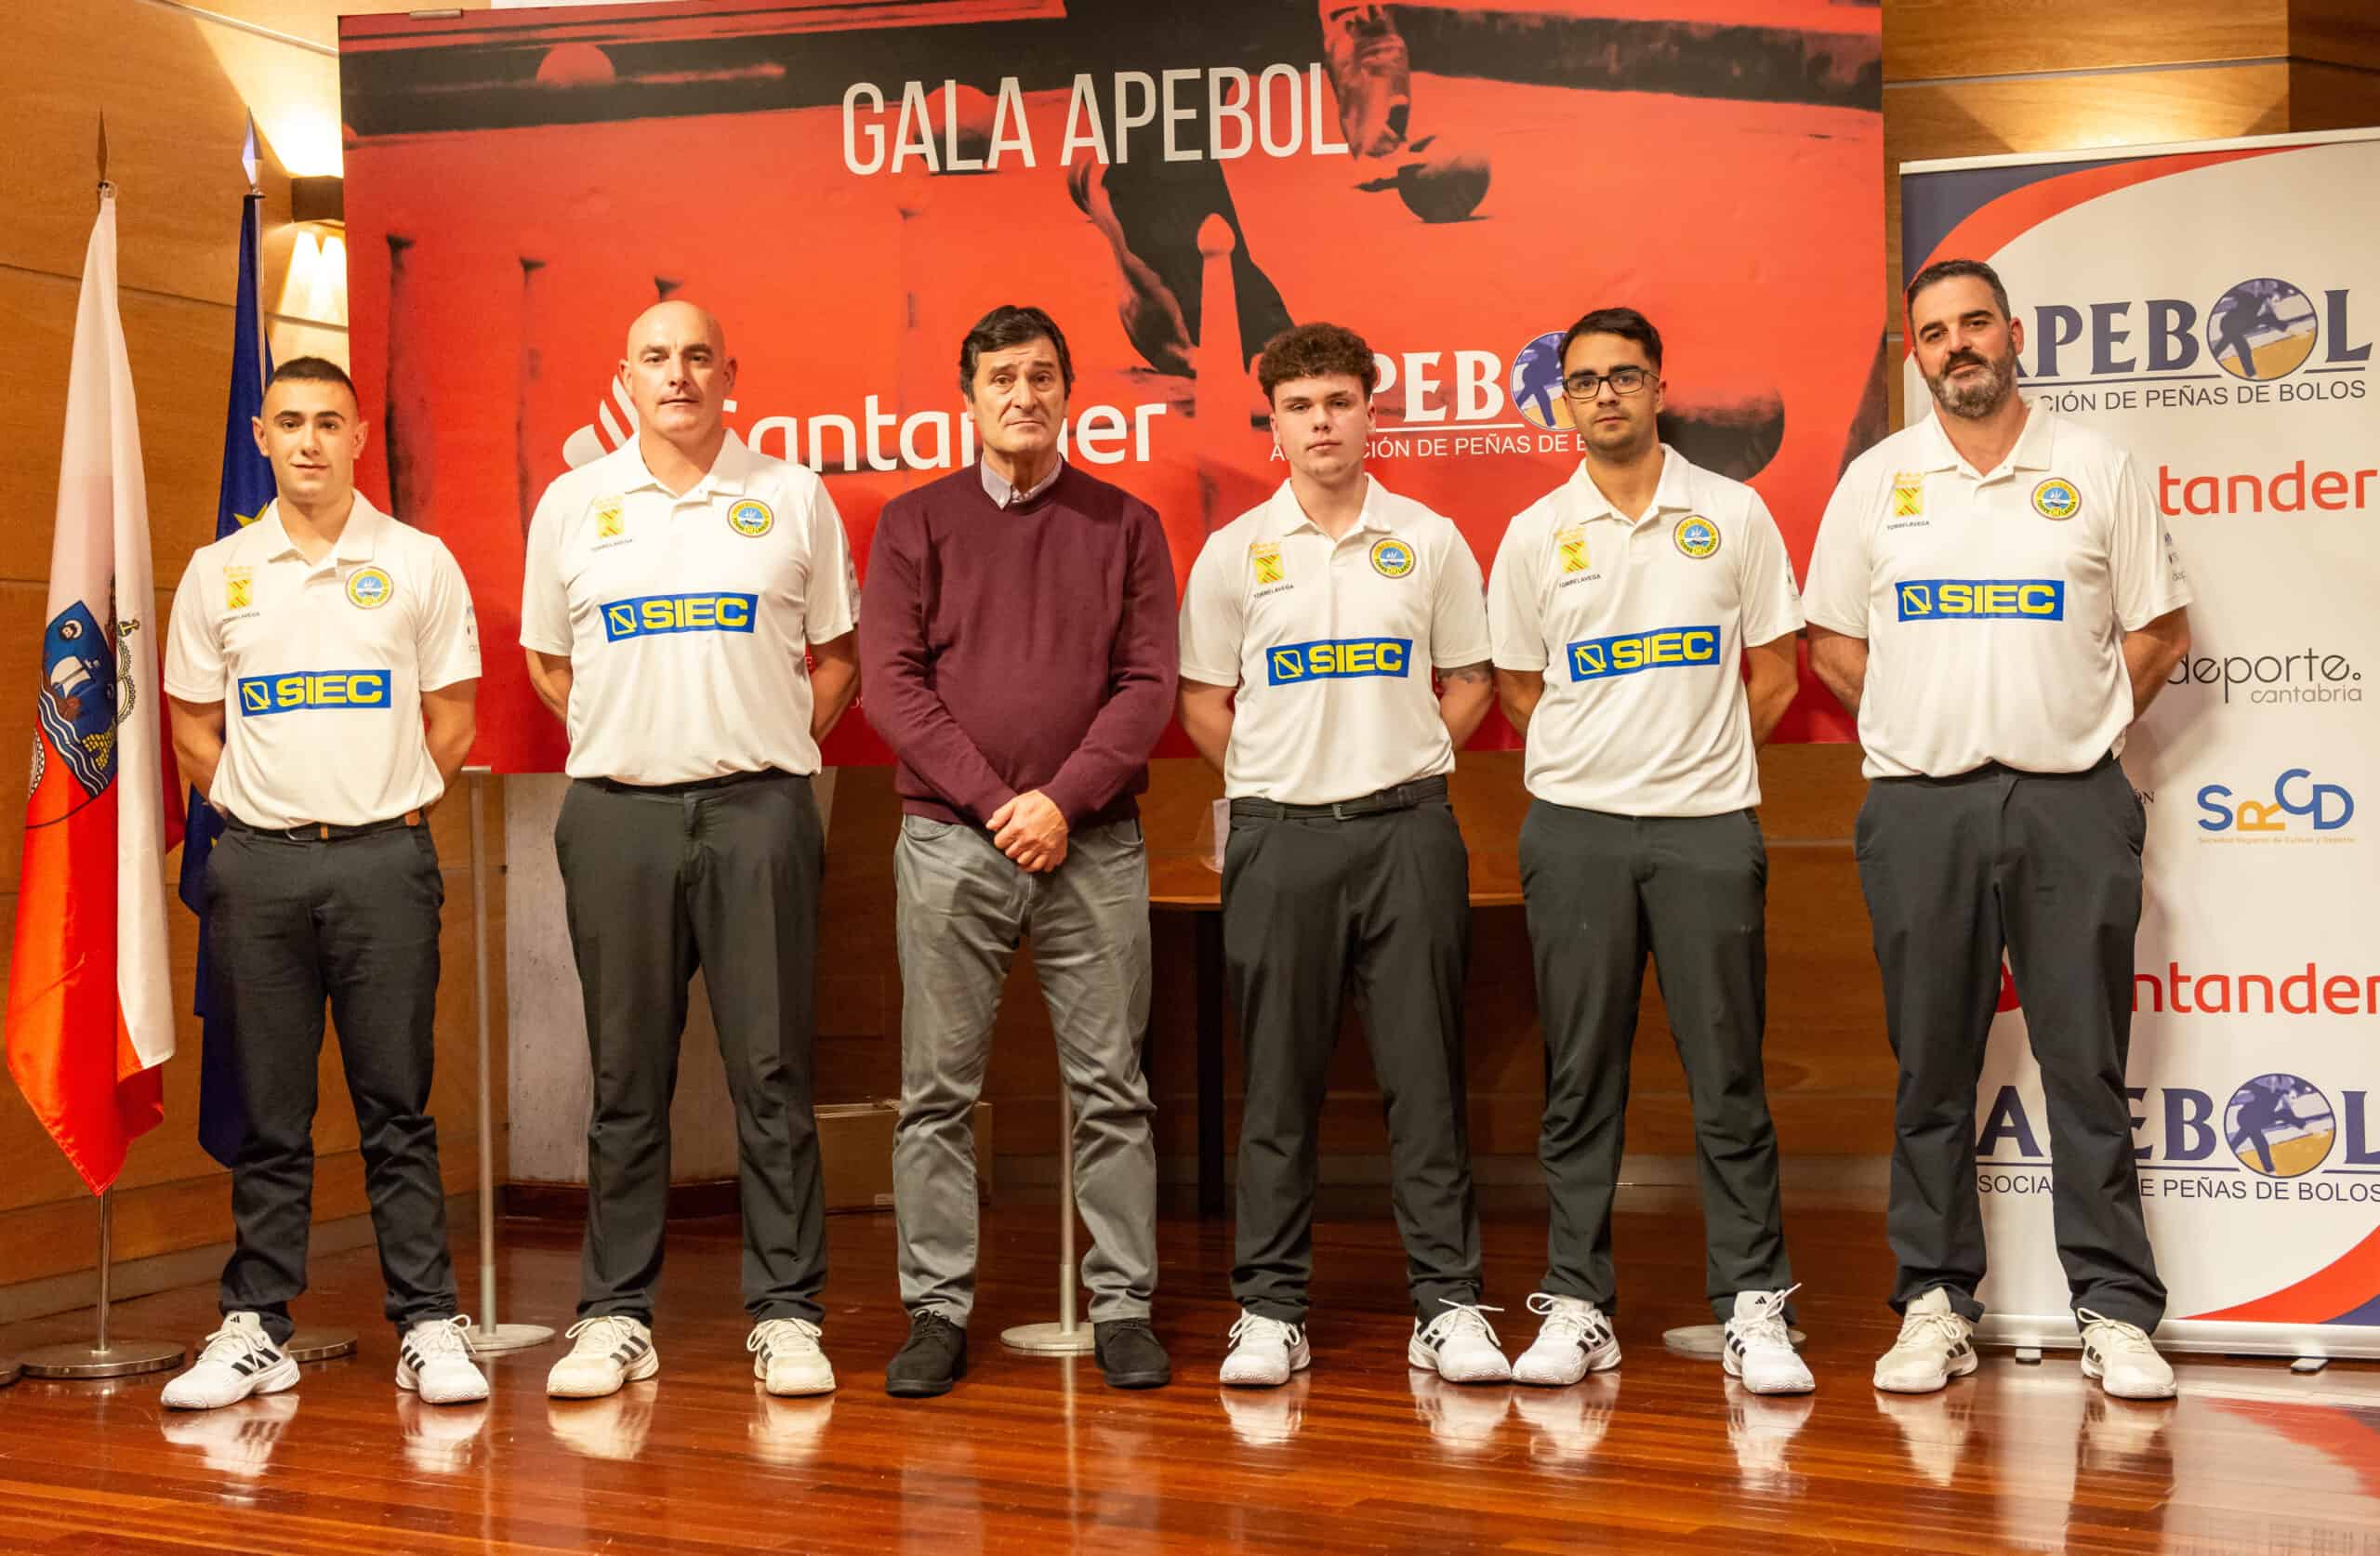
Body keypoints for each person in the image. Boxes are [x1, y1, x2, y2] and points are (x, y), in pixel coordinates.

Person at [1804, 257, 2192, 1402]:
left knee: (2084, 1064)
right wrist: (1920, 722)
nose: (1957, 345)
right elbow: (1833, 643)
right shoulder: (1876, 480)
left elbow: (2159, 632)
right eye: (1934, 332)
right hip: (1920, 806)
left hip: (2070, 801)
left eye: (1975, 323)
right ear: (1914, 353)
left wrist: (2078, 725)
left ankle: (2114, 1308)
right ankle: (1932, 1301)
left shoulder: (2094, 466)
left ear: (2013, 333)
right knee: (1930, 1068)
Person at [521, 300, 861, 1400]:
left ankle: (789, 1313)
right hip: (617, 817)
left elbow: (838, 656)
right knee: (626, 1078)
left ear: (729, 373)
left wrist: (767, 746)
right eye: (656, 358)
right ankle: (614, 1317)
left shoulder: (791, 495)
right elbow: (548, 663)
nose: (678, 375)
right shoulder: (573, 503)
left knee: (773, 1073)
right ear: (625, 378)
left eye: (697, 357)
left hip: (759, 812)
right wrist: (634, 739)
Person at [1486, 306, 1813, 1397]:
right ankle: (1577, 1302)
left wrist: (1696, 758)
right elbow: (1519, 686)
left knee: (1728, 1074)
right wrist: (1602, 761)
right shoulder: (1536, 531)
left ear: (1659, 387)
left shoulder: (1731, 513)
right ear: (1564, 401)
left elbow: (1776, 669)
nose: (1605, 395)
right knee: (1579, 1076)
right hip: (1574, 829)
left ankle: (1754, 1305)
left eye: (1624, 376)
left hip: (1708, 828)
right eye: (1585, 381)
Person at [1177, 321, 1506, 1390]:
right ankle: (1270, 1311)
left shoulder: (1429, 538)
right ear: (1273, 425)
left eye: (1338, 402)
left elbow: (1471, 678)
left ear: (1370, 413)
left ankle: (1448, 1306)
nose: (1321, 422)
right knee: (1277, 1086)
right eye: (1299, 406)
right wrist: (1278, 771)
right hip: (1278, 840)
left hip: (1407, 833)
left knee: (1425, 1078)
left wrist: (1401, 758)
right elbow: (1201, 700)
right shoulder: (1235, 551)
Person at [862, 304, 1179, 1398]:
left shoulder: (1125, 523)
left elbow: (1148, 685)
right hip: (952, 842)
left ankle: (1123, 1305)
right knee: (935, 1095)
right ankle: (936, 1311)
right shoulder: (913, 523)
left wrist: (1061, 803)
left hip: (1094, 845)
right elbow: (891, 685)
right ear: (969, 398)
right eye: (1001, 377)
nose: (1023, 395)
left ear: (1067, 393)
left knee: (1113, 1092)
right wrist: (1006, 805)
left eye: (1042, 375)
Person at [161, 356, 487, 1411]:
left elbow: (452, 720)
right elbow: (193, 728)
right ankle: (256, 1324)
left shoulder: (418, 562)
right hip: (257, 869)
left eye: (329, 422)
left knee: (397, 1106)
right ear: (261, 437)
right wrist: (262, 808)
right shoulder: (218, 571)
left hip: (384, 864)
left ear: (358, 438)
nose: (309, 440)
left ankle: (428, 1323)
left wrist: (381, 806)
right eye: (290, 422)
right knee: (270, 1112)